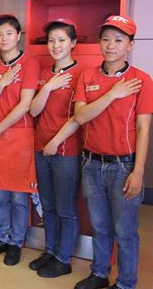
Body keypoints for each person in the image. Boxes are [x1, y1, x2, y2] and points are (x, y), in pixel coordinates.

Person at [55, 15, 152, 289]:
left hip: (124, 167)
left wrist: (139, 171)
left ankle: (125, 283)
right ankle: (99, 274)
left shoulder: (141, 80)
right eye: (106, 39)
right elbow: (81, 117)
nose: (111, 45)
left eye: (119, 40)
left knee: (126, 232)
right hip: (92, 164)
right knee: (99, 225)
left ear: (130, 45)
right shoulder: (88, 75)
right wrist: (112, 94)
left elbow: (144, 129)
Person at [0, 14, 39, 266]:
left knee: (18, 197)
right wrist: (2, 83)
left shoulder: (30, 63)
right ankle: (2, 237)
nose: (4, 39)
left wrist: (1, 127)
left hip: (18, 136)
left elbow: (26, 104)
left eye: (9, 33)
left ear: (18, 35)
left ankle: (16, 242)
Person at [28, 19, 83, 278]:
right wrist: (49, 87)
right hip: (40, 149)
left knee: (65, 209)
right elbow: (34, 110)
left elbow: (77, 118)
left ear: (73, 43)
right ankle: (50, 251)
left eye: (61, 40)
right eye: (51, 40)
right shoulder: (44, 74)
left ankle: (63, 258)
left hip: (65, 152)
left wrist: (54, 143)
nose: (56, 45)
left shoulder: (81, 74)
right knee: (47, 206)